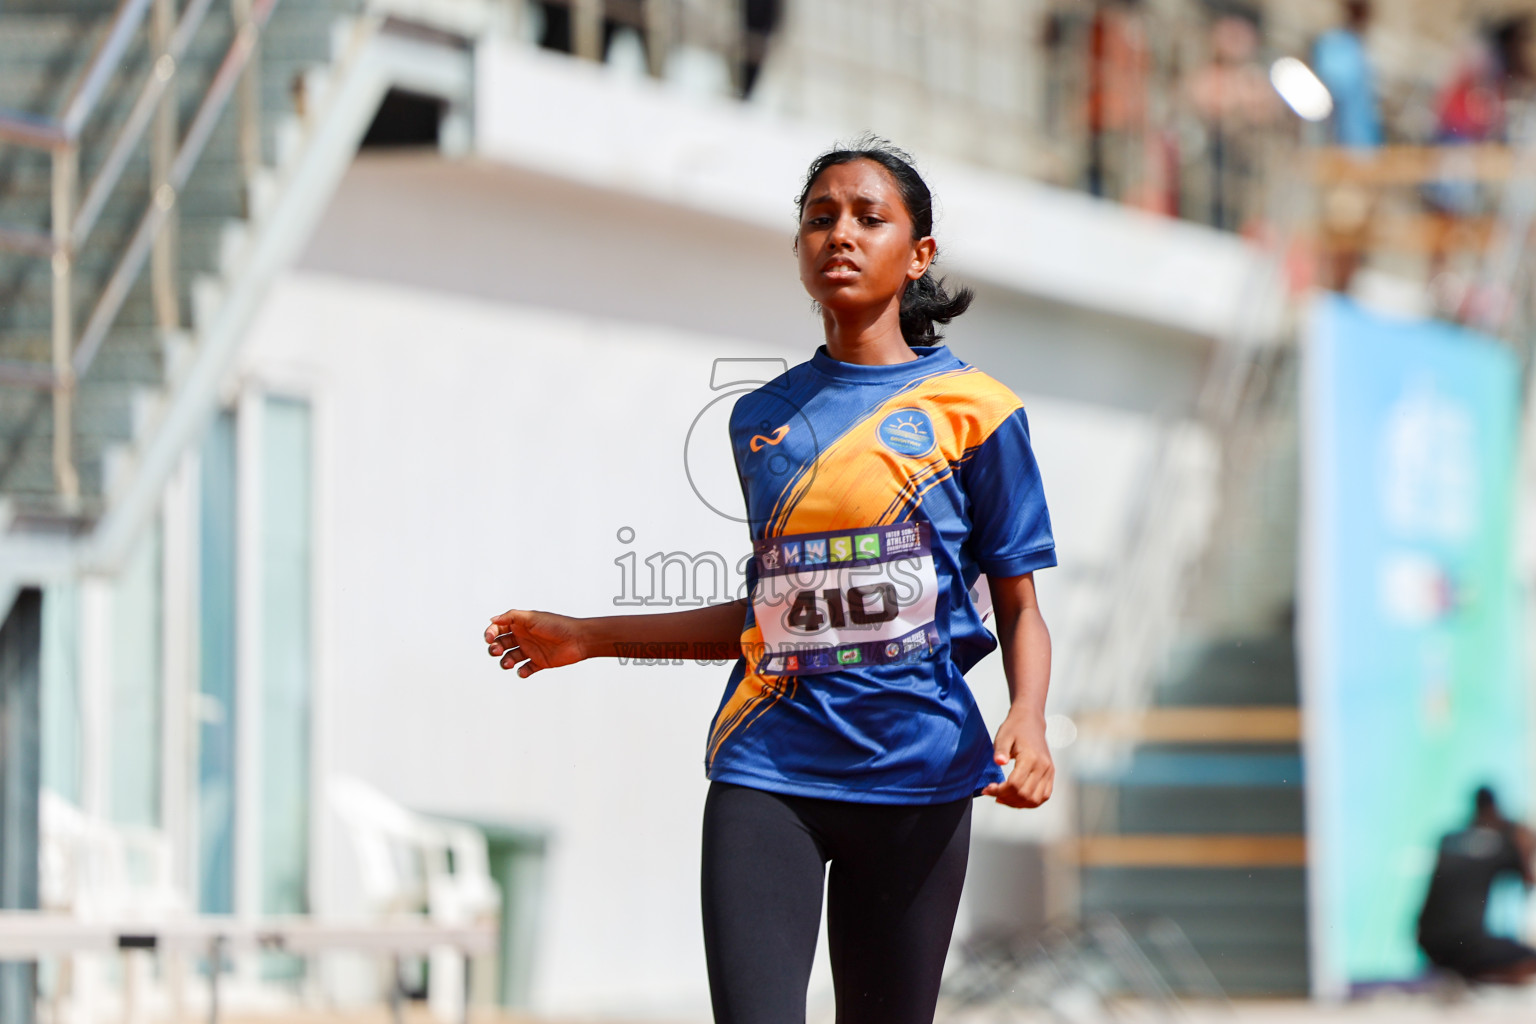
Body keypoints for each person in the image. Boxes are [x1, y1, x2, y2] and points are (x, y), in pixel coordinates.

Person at [483, 137, 1057, 1023]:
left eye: (871, 218)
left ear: (920, 255)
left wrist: (1026, 718)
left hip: (922, 777)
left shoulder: (980, 413)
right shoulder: (763, 419)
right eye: (820, 218)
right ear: (797, 251)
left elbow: (1020, 606)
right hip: (769, 772)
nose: (841, 234)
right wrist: (589, 638)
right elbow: (772, 617)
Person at [1417, 786, 1536, 984]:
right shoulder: (1501, 844)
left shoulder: (1448, 839)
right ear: (1494, 810)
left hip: (1428, 945)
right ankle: (1484, 975)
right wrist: (1519, 840)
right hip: (1468, 945)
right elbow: (1528, 880)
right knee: (1529, 961)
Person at [1312, 0, 1382, 149]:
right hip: (1337, 134)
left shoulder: (1358, 46)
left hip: (1362, 135)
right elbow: (1335, 88)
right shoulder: (1334, 44)